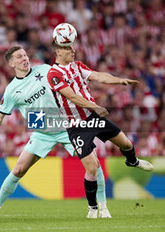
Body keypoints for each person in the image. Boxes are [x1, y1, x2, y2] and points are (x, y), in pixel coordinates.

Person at [0, 46, 112, 219]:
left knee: (93, 164)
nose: (24, 58)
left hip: (68, 127)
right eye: (19, 57)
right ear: (11, 63)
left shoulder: (44, 70)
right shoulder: (12, 90)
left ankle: (102, 208)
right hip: (43, 133)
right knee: (19, 169)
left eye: (25, 55)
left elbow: (69, 82)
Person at [47, 41, 154, 218]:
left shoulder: (77, 67)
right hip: (76, 126)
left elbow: (98, 76)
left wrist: (119, 80)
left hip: (93, 118)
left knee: (126, 143)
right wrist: (95, 106)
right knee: (91, 168)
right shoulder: (54, 74)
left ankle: (132, 161)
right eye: (67, 48)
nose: (73, 50)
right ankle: (92, 208)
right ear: (57, 51)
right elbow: (72, 96)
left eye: (72, 46)